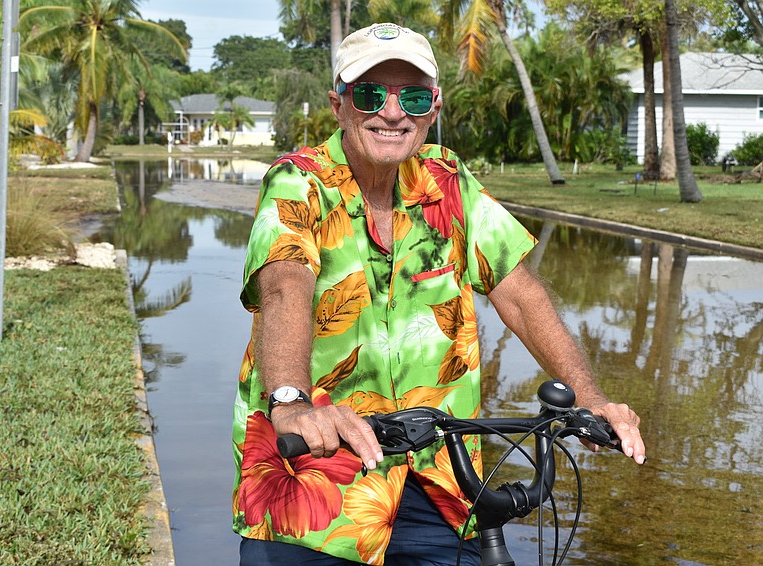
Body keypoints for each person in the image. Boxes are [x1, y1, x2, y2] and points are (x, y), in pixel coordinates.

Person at [231, 22, 647, 566]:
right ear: (339, 106)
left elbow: (519, 293)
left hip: (441, 483)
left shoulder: (449, 179)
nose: (392, 113)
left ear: (433, 108)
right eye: (371, 95)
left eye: (412, 97)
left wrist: (589, 397)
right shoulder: (298, 182)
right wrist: (291, 402)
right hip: (315, 480)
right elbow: (285, 287)